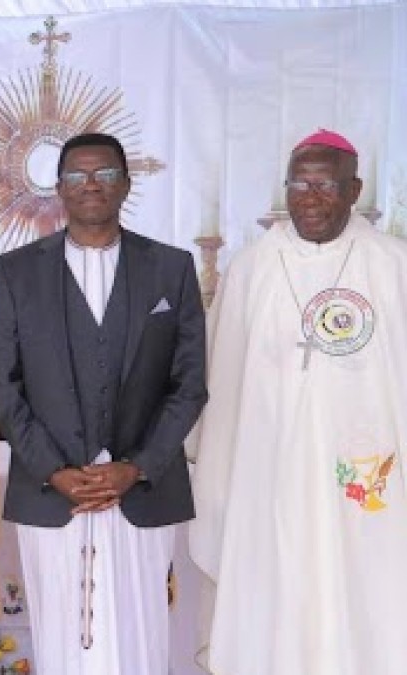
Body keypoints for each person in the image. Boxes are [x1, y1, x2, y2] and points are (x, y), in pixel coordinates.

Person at [0, 132, 207, 674]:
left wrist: (137, 467)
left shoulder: (170, 269)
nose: (91, 186)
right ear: (57, 188)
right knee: (62, 638)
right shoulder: (17, 271)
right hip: (50, 491)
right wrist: (54, 469)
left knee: (141, 635)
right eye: (77, 175)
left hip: (142, 489)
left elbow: (190, 383)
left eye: (104, 174)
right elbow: (1, 384)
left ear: (126, 185)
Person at [190, 129, 407, 674]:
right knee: (273, 589)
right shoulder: (252, 268)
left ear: (354, 189)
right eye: (298, 183)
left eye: (325, 184)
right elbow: (223, 383)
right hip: (270, 475)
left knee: (368, 589)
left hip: (367, 476)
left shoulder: (392, 265)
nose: (310, 197)